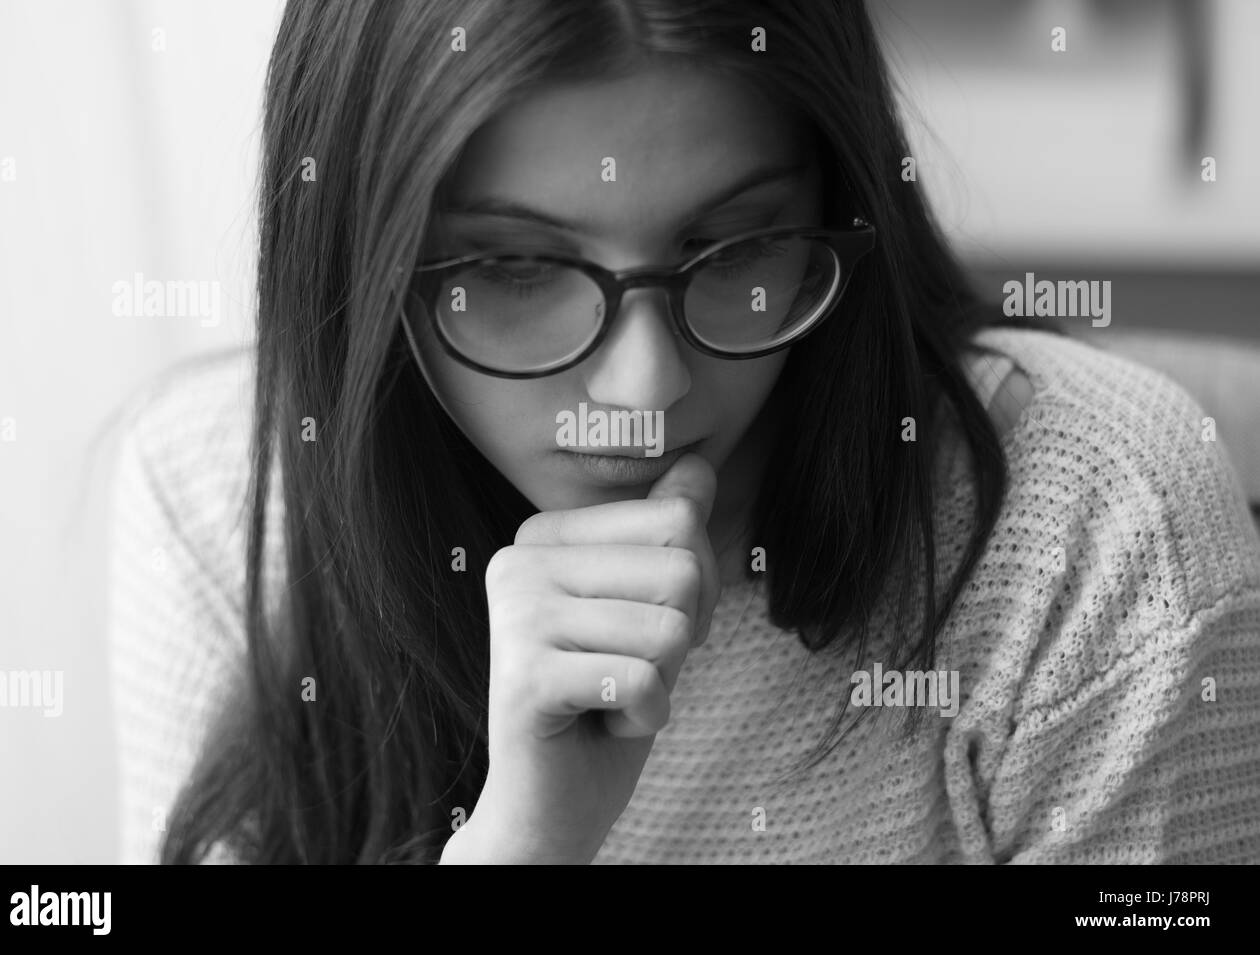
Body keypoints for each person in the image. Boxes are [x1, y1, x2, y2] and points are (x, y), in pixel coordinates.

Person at [108, 0, 1260, 864]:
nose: (645, 382)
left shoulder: (1092, 526)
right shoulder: (217, 501)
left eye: (739, 247)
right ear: (361, 263)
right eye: (512, 265)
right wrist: (517, 840)